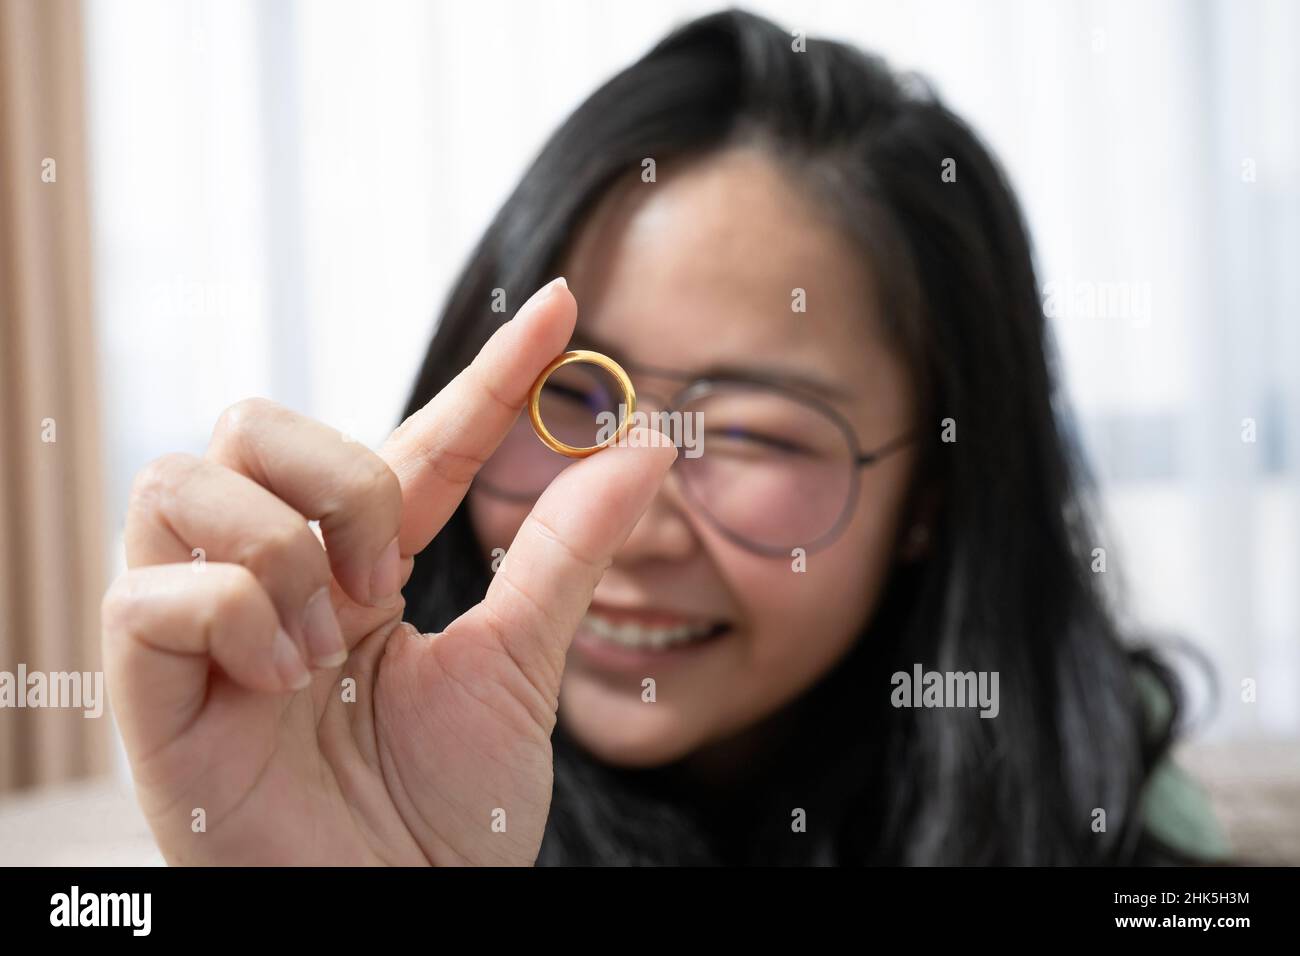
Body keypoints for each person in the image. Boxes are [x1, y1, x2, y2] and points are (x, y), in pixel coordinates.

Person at [102, 9, 1225, 865]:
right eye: (571, 401)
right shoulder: (329, 743)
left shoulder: (1110, 811)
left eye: (748, 431)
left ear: (931, 490)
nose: (619, 521)